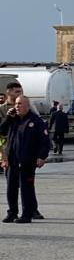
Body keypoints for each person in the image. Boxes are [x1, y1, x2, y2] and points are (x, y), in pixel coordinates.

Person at [0, 95, 50, 223]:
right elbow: (1, 131)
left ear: (27, 106)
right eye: (16, 104)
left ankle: (27, 214)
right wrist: (7, 118)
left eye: (20, 104)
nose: (17, 106)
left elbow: (45, 142)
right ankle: (12, 213)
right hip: (12, 160)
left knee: (26, 188)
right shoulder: (13, 119)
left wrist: (42, 157)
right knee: (11, 188)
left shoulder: (35, 121)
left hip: (27, 161)